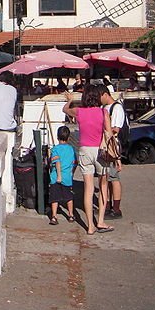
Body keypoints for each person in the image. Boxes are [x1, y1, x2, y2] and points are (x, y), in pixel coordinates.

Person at [62, 85, 115, 235]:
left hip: (84, 150)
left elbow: (65, 110)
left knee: (88, 188)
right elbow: (109, 134)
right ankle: (101, 221)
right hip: (100, 151)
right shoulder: (103, 112)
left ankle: (90, 226)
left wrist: (70, 100)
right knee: (103, 185)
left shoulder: (79, 112)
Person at [101, 90, 126, 218]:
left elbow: (116, 129)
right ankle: (108, 206)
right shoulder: (104, 107)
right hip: (106, 146)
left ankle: (116, 209)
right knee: (108, 178)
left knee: (114, 178)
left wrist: (105, 128)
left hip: (113, 147)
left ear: (105, 94)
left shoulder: (116, 108)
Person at [48, 125, 76, 224]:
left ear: (57, 137)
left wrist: (59, 175)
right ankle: (71, 215)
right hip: (67, 177)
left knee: (54, 198)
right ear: (68, 138)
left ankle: (54, 216)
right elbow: (73, 163)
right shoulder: (71, 149)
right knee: (69, 197)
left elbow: (57, 162)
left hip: (56, 177)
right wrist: (71, 173)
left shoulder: (55, 149)